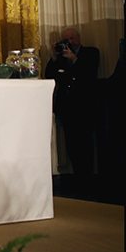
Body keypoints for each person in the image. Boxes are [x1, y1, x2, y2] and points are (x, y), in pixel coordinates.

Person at [44, 27, 100, 178]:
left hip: (84, 106)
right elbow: (49, 76)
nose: (69, 42)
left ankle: (87, 176)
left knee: (85, 144)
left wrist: (74, 59)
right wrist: (54, 58)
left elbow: (89, 73)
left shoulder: (91, 52)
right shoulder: (61, 58)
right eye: (66, 39)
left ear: (78, 38)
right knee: (72, 145)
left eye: (71, 38)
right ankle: (78, 176)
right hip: (67, 107)